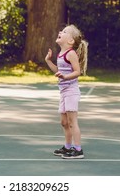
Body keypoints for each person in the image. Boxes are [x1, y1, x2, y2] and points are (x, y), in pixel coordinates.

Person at [45, 24, 88, 159]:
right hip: (63, 92)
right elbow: (58, 70)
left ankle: (78, 149)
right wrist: (48, 61)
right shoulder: (61, 54)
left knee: (71, 121)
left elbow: (77, 72)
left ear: (70, 41)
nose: (60, 32)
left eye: (64, 32)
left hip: (71, 91)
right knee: (64, 122)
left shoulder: (71, 53)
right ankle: (67, 147)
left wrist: (65, 77)